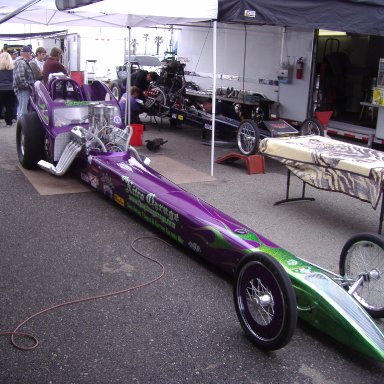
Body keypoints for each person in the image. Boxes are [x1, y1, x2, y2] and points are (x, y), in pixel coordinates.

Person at [13, 45, 35, 119]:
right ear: (26, 53)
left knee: (22, 109)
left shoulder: (21, 62)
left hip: (23, 89)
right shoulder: (21, 63)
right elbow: (20, 78)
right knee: (23, 110)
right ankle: (22, 128)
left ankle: (21, 127)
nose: (31, 55)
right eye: (30, 53)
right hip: (23, 90)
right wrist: (28, 86)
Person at [0, 51, 17, 126]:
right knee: (10, 106)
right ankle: (9, 122)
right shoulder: (13, 68)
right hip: (11, 88)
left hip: (1, 89)